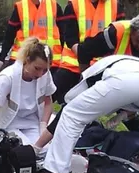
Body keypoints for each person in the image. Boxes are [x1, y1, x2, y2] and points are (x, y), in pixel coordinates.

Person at [29, 0, 128, 153]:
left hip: (104, 67)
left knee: (125, 101)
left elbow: (122, 36)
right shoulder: (74, 5)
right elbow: (70, 38)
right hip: (73, 63)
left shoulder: (115, 5)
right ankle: (32, 122)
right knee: (50, 95)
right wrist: (83, 56)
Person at [0, 37, 56, 151]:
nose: (41, 74)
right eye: (37, 68)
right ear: (27, 60)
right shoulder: (7, 78)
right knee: (25, 151)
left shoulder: (45, 76)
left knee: (46, 149)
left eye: (45, 70)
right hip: (9, 124)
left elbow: (48, 101)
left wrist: (43, 125)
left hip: (32, 122)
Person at [0, 0, 65, 75]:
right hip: (22, 60)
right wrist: (1, 58)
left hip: (49, 61)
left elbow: (64, 35)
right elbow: (9, 35)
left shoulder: (54, 6)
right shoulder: (20, 7)